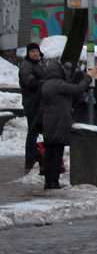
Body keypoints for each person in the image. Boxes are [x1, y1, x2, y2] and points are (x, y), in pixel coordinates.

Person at [38, 60, 92, 190]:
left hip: (48, 122)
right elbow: (77, 88)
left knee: (49, 152)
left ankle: (48, 182)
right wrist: (88, 78)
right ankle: (54, 182)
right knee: (57, 153)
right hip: (59, 122)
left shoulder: (46, 84)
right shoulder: (59, 85)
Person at [17, 42, 44, 173]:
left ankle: (36, 156)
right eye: (33, 51)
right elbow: (29, 82)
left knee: (36, 132)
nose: (35, 53)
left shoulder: (37, 65)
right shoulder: (26, 66)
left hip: (38, 103)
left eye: (37, 51)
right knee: (33, 132)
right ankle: (30, 159)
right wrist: (44, 83)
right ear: (28, 53)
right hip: (32, 103)